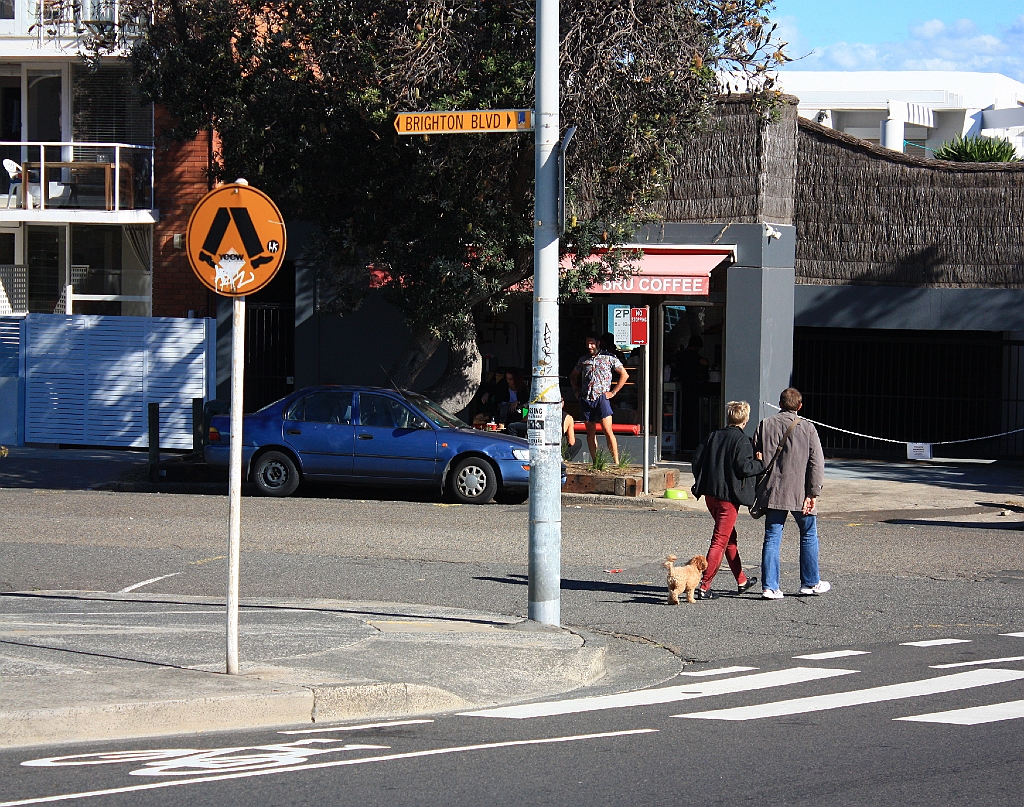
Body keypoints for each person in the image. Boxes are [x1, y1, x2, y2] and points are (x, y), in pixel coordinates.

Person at [753, 387, 829, 600]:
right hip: (799, 491)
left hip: (773, 489)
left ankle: (770, 586)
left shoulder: (765, 424)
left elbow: (756, 454)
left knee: (772, 536)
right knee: (808, 534)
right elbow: (816, 462)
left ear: (780, 404)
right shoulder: (807, 428)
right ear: (800, 406)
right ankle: (810, 582)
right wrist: (813, 492)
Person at [689, 401, 764, 600]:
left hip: (710, 494)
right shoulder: (743, 441)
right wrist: (760, 463)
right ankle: (704, 586)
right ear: (745, 420)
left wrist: (702, 480)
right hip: (728, 499)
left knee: (729, 538)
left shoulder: (713, 436)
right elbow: (744, 468)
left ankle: (742, 580)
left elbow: (696, 459)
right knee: (719, 541)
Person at [569, 333, 629, 464]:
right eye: (587, 344)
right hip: (587, 398)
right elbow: (573, 376)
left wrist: (613, 392)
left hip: (601, 397)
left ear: (598, 343)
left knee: (607, 430)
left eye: (592, 343)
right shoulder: (584, 359)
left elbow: (624, 374)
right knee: (590, 432)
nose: (589, 346)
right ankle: (596, 462)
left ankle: (617, 462)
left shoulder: (609, 357)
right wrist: (576, 392)